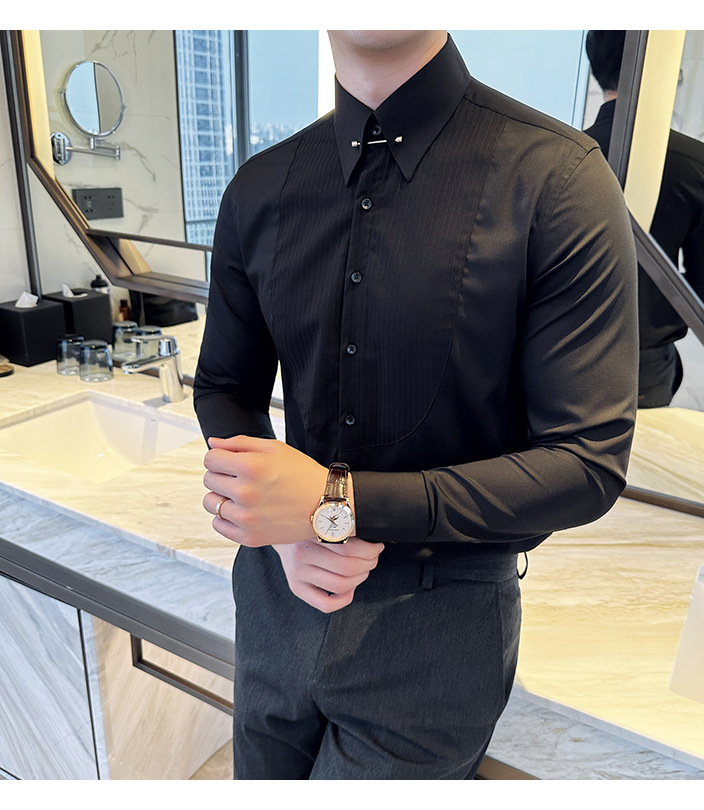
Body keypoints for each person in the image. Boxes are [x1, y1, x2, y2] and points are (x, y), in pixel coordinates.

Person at [193, 30, 638, 780]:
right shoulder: (260, 186)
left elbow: (586, 463)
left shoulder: (556, 179)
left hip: (438, 623)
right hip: (276, 592)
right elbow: (225, 387)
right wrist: (284, 531)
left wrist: (333, 505)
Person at [584, 30, 704, 408]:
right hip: (643, 370)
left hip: (547, 357)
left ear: (595, 67)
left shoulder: (556, 154)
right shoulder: (698, 165)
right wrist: (652, 318)